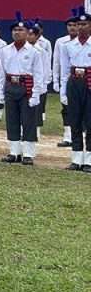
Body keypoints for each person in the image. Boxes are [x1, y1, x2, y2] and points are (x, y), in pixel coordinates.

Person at [0, 15, 44, 166]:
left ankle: (28, 154)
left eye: (21, 30)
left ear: (27, 32)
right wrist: (0, 92)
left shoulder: (34, 51)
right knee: (12, 120)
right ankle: (14, 152)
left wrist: (36, 94)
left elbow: (38, 74)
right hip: (11, 86)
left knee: (28, 121)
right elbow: (1, 72)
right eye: (15, 30)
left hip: (27, 88)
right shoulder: (5, 50)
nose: (17, 32)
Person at [57, 9, 91, 171]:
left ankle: (89, 160)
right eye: (78, 24)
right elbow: (64, 70)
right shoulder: (68, 45)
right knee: (75, 121)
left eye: (84, 24)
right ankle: (76, 158)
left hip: (89, 83)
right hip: (74, 83)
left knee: (90, 122)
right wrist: (63, 92)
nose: (80, 27)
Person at [54, 10, 78, 148]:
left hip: (83, 80)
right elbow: (57, 62)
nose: (72, 27)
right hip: (67, 80)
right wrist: (56, 81)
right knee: (67, 109)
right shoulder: (61, 42)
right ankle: (68, 137)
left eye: (74, 25)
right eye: (69, 25)